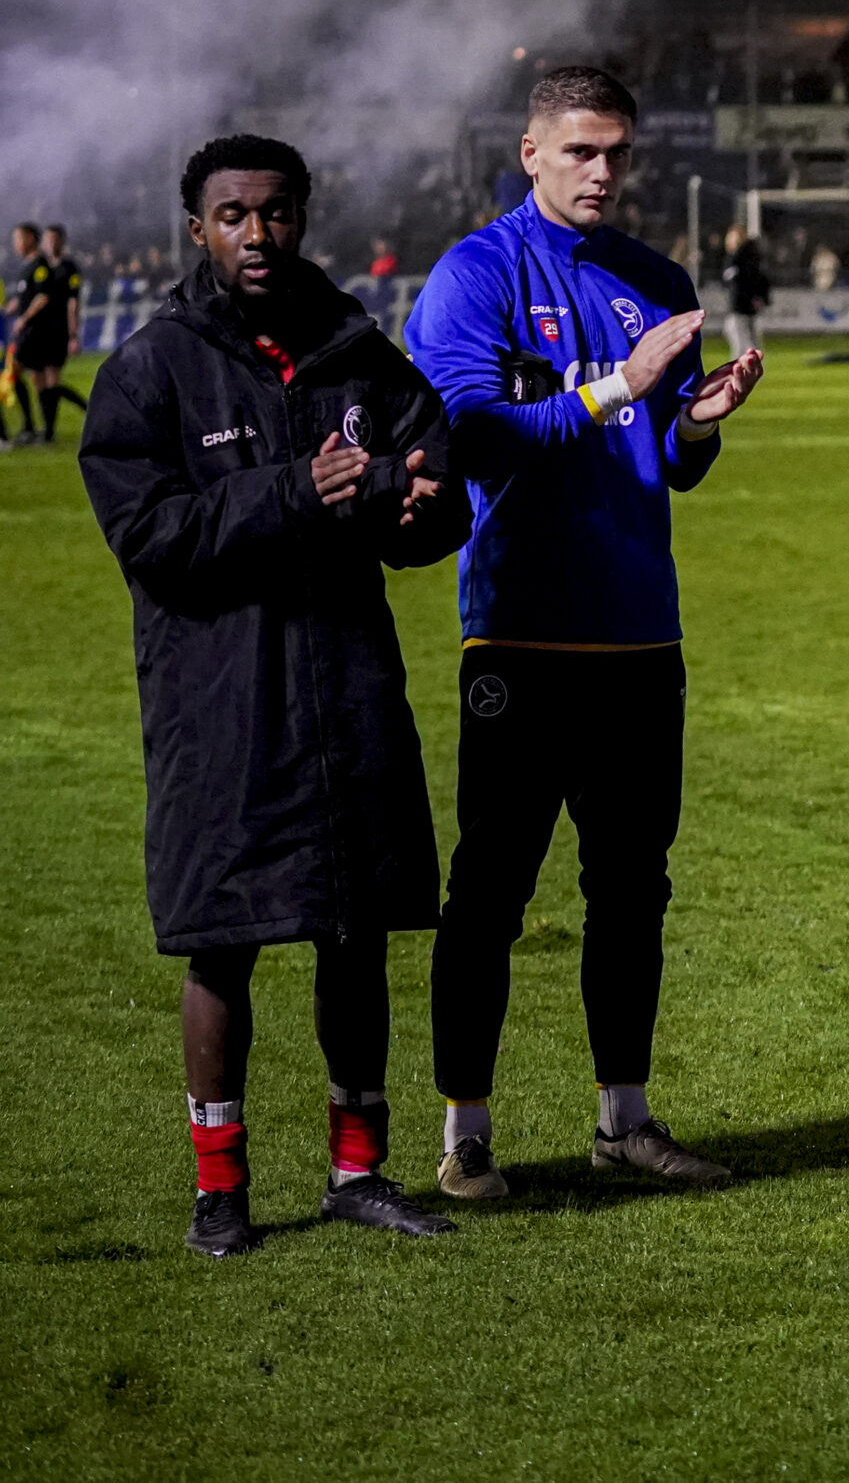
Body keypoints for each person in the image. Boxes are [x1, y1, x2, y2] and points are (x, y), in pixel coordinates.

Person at [77, 134, 472, 1254]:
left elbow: (432, 474)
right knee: (224, 940)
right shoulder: (151, 368)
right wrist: (293, 491)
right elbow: (153, 536)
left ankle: (359, 1170)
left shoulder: (354, 347)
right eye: (234, 214)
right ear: (197, 229)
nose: (258, 233)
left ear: (304, 216)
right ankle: (222, 1188)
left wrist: (421, 505)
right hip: (223, 701)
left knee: (355, 932)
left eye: (277, 212)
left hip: (346, 688)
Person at [408, 65, 765, 1201]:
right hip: (518, 630)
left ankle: (625, 1120)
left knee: (632, 886)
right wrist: (618, 387)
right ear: (530, 152)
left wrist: (696, 422)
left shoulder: (655, 278)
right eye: (580, 151)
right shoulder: (475, 272)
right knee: (491, 891)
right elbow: (471, 438)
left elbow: (667, 461)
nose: (602, 171)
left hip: (637, 634)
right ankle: (464, 1130)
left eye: (616, 151)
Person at [9, 221, 85, 445]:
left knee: (40, 377)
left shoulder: (58, 268)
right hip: (40, 331)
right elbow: (28, 297)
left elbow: (68, 301)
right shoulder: (41, 266)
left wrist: (73, 334)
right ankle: (46, 431)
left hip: (50, 331)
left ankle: (37, 429)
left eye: (54, 239)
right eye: (48, 239)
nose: (50, 243)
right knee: (43, 380)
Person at [721, 224, 769, 358]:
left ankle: (746, 372)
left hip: (740, 307)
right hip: (747, 306)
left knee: (742, 346)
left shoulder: (738, 260)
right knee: (750, 342)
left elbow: (737, 283)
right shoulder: (751, 259)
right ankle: (753, 370)